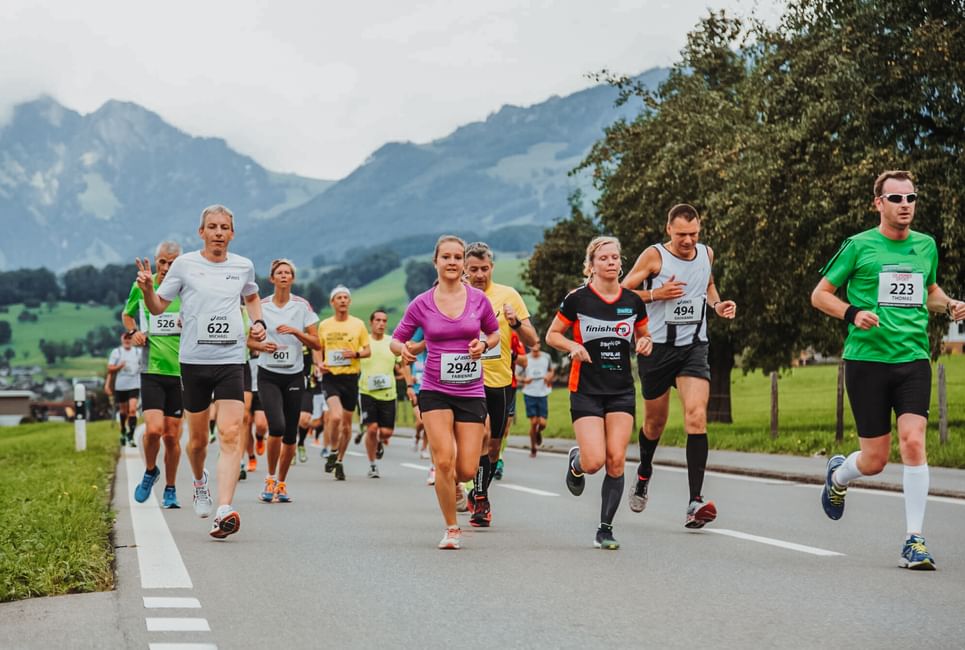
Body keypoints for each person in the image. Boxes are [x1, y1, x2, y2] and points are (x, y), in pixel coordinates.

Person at [811, 170, 964, 570]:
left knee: (913, 441)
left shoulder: (925, 246)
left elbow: (929, 291)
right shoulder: (858, 247)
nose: (905, 206)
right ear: (878, 202)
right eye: (896, 199)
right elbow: (820, 295)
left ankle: (914, 540)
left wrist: (948, 305)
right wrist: (852, 312)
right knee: (875, 460)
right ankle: (839, 477)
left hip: (913, 359)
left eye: (911, 198)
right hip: (866, 362)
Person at [136, 204, 266, 540]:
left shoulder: (243, 266)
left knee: (231, 432)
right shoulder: (185, 265)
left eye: (224, 227)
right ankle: (199, 482)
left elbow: (252, 296)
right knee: (196, 443)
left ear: (232, 233)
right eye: (212, 227)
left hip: (230, 361)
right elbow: (157, 307)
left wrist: (259, 322)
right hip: (193, 363)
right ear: (202, 232)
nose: (219, 233)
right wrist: (149, 289)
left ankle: (224, 509)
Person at [620, 203, 737, 528]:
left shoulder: (706, 254)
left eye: (694, 234)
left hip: (693, 347)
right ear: (669, 230)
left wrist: (717, 305)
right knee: (655, 424)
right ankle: (644, 471)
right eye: (682, 234)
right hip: (657, 349)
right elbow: (622, 293)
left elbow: (708, 285)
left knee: (697, 417)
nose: (688, 241)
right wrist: (657, 294)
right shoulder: (654, 256)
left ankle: (694, 502)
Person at [391, 235, 499, 549]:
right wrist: (404, 352)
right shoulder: (422, 303)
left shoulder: (478, 300)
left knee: (465, 469)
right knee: (443, 462)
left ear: (462, 263)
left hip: (470, 391)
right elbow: (396, 339)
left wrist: (483, 344)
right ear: (436, 262)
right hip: (435, 390)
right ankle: (451, 527)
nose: (451, 262)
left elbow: (493, 333)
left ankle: (459, 488)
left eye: (456, 257)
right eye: (445, 257)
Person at [546, 236, 652, 550]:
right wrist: (573, 346)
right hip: (586, 390)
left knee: (616, 460)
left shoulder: (632, 301)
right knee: (594, 462)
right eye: (604, 258)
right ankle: (576, 462)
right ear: (591, 265)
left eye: (615, 258)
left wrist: (645, 344)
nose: (611, 263)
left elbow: (644, 336)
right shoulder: (578, 299)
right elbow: (552, 335)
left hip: (620, 390)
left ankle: (605, 529)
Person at [463, 241, 538, 527]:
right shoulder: (458, 297)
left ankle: (478, 487)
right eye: (474, 270)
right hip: (467, 381)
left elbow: (532, 340)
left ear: (492, 267)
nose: (480, 274)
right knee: (480, 437)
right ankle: (480, 498)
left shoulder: (508, 296)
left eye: (484, 269)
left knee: (494, 446)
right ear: (465, 271)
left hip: (500, 381)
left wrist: (516, 323)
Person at [250, 259, 320, 503]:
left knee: (290, 434)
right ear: (272, 278)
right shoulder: (261, 306)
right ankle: (269, 478)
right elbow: (246, 339)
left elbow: (317, 343)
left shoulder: (302, 306)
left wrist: (297, 332)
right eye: (279, 273)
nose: (283, 276)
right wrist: (261, 345)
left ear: (292, 278)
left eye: (287, 273)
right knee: (276, 427)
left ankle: (281, 482)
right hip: (268, 374)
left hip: (294, 374)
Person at [124, 240, 184, 508]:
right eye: (163, 261)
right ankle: (150, 471)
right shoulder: (143, 286)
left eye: (173, 262)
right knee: (154, 430)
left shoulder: (187, 288)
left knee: (172, 436)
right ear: (157, 261)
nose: (167, 267)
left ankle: (170, 488)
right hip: (152, 368)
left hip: (181, 371)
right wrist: (133, 331)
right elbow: (127, 315)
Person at [318, 285, 371, 480]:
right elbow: (318, 349)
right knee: (336, 417)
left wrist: (355, 353)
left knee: (347, 425)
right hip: (331, 377)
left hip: (350, 377)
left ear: (349, 302)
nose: (342, 300)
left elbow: (367, 350)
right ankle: (332, 450)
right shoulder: (324, 325)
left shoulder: (358, 324)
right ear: (332, 302)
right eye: (338, 297)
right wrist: (319, 363)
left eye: (345, 297)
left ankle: (339, 459)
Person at [358, 309, 402, 478]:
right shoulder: (364, 342)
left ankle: (378, 443)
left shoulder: (392, 342)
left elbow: (401, 364)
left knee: (386, 432)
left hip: (388, 393)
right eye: (378, 320)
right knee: (372, 429)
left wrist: (409, 382)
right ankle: (373, 464)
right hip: (366, 391)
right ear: (371, 323)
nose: (381, 324)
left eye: (384, 320)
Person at [520, 340, 555, 458]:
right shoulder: (525, 358)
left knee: (543, 423)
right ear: (529, 346)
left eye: (537, 343)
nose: (535, 346)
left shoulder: (546, 357)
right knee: (534, 422)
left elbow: (551, 371)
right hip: (529, 393)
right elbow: (515, 375)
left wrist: (548, 377)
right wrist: (524, 380)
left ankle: (538, 432)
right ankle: (533, 448)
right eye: (532, 343)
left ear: (540, 345)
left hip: (542, 393)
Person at [107, 332, 141, 448]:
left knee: (132, 410)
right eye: (125, 338)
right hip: (121, 385)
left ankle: (130, 435)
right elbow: (110, 368)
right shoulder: (117, 352)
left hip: (134, 384)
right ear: (122, 339)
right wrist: (119, 367)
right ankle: (122, 430)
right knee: (123, 411)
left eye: (129, 338)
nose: (127, 341)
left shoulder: (137, 352)